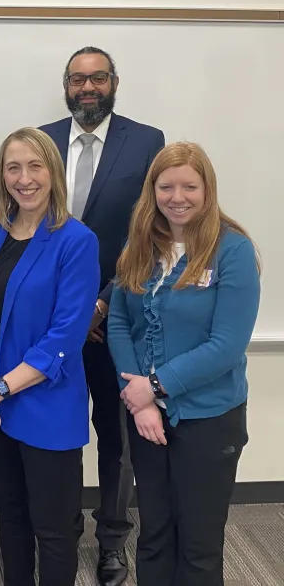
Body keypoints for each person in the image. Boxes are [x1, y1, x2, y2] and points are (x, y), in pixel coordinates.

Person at [0, 127, 100, 586]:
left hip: (46, 405)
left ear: (53, 172)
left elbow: (64, 337)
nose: (24, 178)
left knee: (53, 530)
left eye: (35, 166)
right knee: (10, 518)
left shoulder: (76, 240)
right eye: (13, 167)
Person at [106, 142, 260, 586]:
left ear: (207, 189)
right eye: (166, 186)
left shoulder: (232, 250)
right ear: (152, 190)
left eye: (190, 186)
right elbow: (119, 324)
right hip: (147, 417)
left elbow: (227, 345)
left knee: (198, 544)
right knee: (154, 533)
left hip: (209, 417)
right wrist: (142, 402)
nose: (178, 197)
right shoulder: (140, 244)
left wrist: (153, 387)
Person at [39, 46, 165, 586]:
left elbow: (149, 232)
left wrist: (104, 300)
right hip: (53, 322)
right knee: (60, 431)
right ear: (65, 86)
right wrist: (71, 308)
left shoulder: (146, 142)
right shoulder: (40, 141)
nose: (86, 88)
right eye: (76, 80)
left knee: (116, 438)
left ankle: (113, 540)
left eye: (97, 79)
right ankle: (60, 529)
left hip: (117, 317)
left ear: (114, 82)